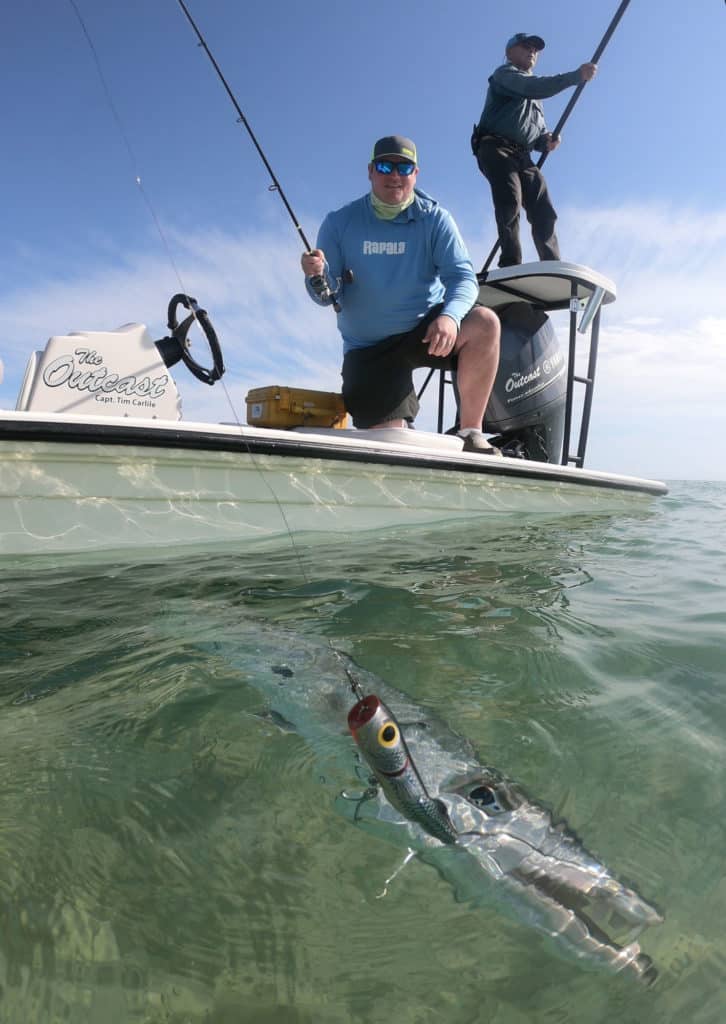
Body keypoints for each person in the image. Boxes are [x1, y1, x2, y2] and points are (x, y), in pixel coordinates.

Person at [301, 135, 502, 454]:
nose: (394, 175)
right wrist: (315, 277)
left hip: (425, 332)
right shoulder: (339, 223)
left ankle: (471, 432)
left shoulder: (435, 219)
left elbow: (463, 277)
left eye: (404, 167)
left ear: (415, 173)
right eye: (384, 166)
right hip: (369, 350)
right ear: (370, 171)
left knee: (484, 322)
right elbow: (327, 295)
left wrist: (449, 317)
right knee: (390, 444)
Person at [473, 32, 597, 268]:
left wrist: (546, 141)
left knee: (544, 208)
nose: (532, 51)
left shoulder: (535, 100)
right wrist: (575, 76)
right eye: (525, 47)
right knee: (510, 198)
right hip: (495, 147)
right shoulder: (505, 75)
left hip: (522, 154)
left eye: (535, 49)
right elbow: (533, 87)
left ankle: (551, 263)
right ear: (509, 52)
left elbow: (536, 134)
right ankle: (510, 262)